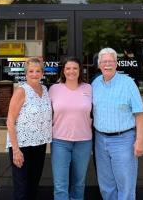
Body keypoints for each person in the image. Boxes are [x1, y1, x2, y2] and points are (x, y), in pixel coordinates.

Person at [92, 47, 143, 200]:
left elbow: (139, 113)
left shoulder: (128, 83)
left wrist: (139, 140)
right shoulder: (95, 84)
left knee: (126, 185)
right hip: (100, 140)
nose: (107, 64)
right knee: (106, 185)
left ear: (116, 64)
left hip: (124, 140)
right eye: (104, 61)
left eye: (111, 61)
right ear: (99, 64)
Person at [6, 57, 52, 200]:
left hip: (39, 145)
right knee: (22, 189)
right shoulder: (21, 91)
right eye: (31, 71)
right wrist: (16, 150)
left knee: (33, 186)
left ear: (42, 74)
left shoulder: (45, 90)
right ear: (26, 74)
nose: (34, 74)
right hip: (22, 146)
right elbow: (10, 121)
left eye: (37, 71)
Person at [49, 57, 92, 200]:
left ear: (80, 71)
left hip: (84, 142)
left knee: (79, 183)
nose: (71, 71)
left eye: (75, 68)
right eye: (68, 68)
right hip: (60, 141)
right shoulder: (54, 89)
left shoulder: (89, 88)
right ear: (63, 71)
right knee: (60, 184)